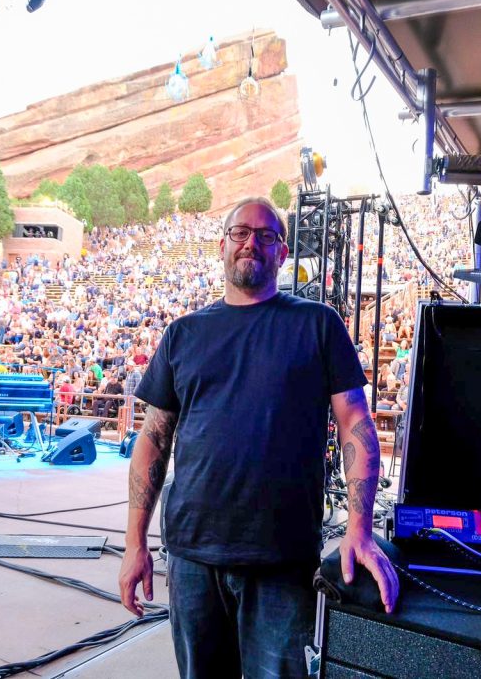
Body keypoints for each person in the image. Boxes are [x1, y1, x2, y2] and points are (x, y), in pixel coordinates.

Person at [119, 197, 398, 678]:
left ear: (283, 253)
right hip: (191, 555)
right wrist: (134, 543)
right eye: (241, 232)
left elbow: (355, 422)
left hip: (281, 558)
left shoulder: (317, 324)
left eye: (266, 235)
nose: (252, 242)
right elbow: (153, 440)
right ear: (222, 245)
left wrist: (359, 528)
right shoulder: (183, 333)